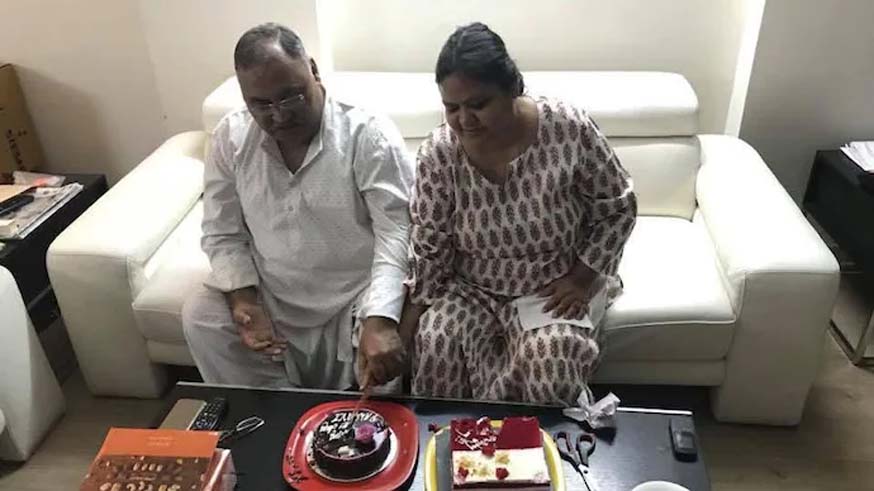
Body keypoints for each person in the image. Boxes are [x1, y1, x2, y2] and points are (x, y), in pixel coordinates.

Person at [400, 22, 637, 405]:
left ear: (513, 89)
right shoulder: (439, 154)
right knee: (437, 340)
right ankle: (454, 441)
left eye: (479, 104)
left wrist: (581, 279)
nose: (464, 120)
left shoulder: (566, 129)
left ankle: (538, 443)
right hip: (471, 288)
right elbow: (429, 248)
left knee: (552, 356)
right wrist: (404, 332)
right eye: (452, 108)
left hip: (551, 283)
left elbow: (618, 207)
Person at [182, 23, 414, 391]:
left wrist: (380, 317)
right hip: (274, 293)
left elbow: (397, 234)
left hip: (355, 295)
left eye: (291, 97)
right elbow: (222, 232)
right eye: (261, 104)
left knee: (393, 342)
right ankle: (280, 412)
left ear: (313, 71)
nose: (279, 115)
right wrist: (245, 301)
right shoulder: (231, 136)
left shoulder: (368, 134)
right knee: (202, 316)